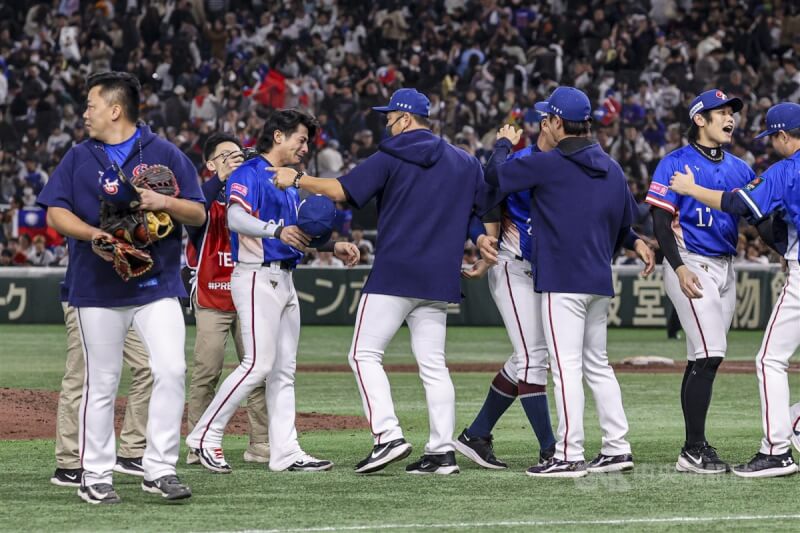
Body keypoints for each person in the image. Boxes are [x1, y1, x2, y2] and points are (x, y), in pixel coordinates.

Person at [271, 88, 497, 475]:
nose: (387, 124)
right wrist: (480, 238)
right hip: (439, 274)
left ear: (406, 119)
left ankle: (387, 436)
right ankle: (441, 452)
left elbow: (342, 190)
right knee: (434, 365)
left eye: (391, 117)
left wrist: (300, 179)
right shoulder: (465, 161)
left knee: (363, 355)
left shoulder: (393, 154)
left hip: (396, 271)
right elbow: (481, 211)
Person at [37, 71, 206, 504]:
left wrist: (163, 202)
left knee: (171, 369)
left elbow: (199, 214)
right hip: (96, 286)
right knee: (102, 381)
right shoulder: (79, 156)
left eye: (91, 105)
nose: (85, 113)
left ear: (115, 109)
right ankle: (96, 475)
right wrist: (93, 234)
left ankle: (159, 467)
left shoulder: (165, 152)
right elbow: (55, 211)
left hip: (157, 284)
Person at [484, 86, 651, 478]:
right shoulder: (610, 166)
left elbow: (496, 176)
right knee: (598, 365)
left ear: (557, 122)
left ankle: (568, 453)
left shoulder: (550, 163)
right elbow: (624, 221)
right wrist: (638, 242)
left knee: (565, 367)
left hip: (561, 280)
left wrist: (503, 145)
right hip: (597, 278)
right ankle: (616, 447)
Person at [186, 109, 359, 474]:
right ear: (278, 136)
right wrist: (274, 230)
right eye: (301, 138)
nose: (305, 146)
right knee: (257, 364)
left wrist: (332, 247)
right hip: (254, 277)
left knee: (283, 371)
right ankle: (205, 436)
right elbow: (235, 217)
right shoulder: (249, 172)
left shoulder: (290, 181)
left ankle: (285, 451)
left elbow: (295, 232)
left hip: (284, 278)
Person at [670, 102, 800, 478]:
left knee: (769, 360)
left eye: (772, 137)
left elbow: (735, 202)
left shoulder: (786, 170)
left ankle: (776, 451)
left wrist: (692, 188)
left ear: (782, 136)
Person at [645, 89, 755, 475]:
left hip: (726, 266)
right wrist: (677, 267)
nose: (730, 119)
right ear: (699, 119)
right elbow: (659, 221)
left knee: (699, 358)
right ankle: (693, 449)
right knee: (710, 354)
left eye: (732, 113)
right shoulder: (674, 163)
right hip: (690, 262)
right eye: (721, 112)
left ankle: (694, 447)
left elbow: (759, 218)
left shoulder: (741, 167)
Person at [456, 102, 559, 469]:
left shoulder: (567, 163)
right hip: (513, 267)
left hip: (548, 273)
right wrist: (482, 242)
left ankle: (477, 434)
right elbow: (481, 200)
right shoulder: (518, 161)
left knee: (525, 358)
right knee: (534, 359)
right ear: (546, 124)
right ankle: (552, 449)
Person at [183, 133, 269, 468]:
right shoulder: (201, 198)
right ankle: (198, 442)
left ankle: (260, 442)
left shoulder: (248, 196)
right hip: (212, 294)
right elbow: (194, 213)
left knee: (259, 370)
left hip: (249, 294)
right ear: (209, 163)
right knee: (207, 370)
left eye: (237, 155)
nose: (234, 159)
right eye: (225, 156)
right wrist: (218, 178)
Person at [51, 264, 153, 487]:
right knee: (80, 376)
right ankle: (69, 463)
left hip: (125, 300)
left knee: (149, 366)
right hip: (85, 295)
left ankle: (131, 452)